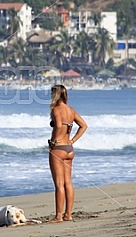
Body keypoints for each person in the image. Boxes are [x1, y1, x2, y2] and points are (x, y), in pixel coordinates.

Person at [48, 84, 87, 223]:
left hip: (58, 149)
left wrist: (55, 140)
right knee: (68, 183)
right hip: (69, 149)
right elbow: (84, 125)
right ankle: (68, 214)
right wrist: (72, 140)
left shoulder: (56, 109)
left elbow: (58, 125)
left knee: (59, 184)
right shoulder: (71, 110)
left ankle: (58, 216)